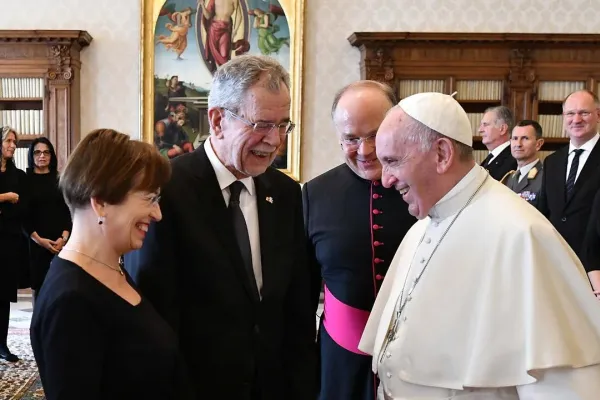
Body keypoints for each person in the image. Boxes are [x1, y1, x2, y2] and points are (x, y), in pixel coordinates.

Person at [359, 92, 600, 399]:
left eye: (392, 161)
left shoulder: (523, 236)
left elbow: (564, 389)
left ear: (442, 154)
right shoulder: (421, 228)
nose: (386, 180)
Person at [124, 54, 316, 400]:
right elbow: (155, 310)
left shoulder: (285, 194)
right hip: (195, 387)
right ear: (217, 121)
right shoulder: (166, 191)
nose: (274, 140)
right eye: (261, 124)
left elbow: (297, 306)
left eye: (283, 125)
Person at [30, 129, 192, 399]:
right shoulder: (71, 301)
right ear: (101, 202)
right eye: (149, 198)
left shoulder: (108, 267)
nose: (157, 213)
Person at [303, 81, 416, 400]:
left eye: (374, 135)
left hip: (419, 362)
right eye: (351, 138)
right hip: (339, 364)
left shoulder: (425, 186)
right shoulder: (316, 194)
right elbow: (304, 294)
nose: (365, 151)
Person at [537, 89, 600, 259]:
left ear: (598, 115)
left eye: (584, 113)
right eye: (570, 113)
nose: (576, 119)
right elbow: (544, 213)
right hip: (555, 259)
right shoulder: (552, 161)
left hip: (594, 265)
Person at [23, 137, 71, 304]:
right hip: (37, 243)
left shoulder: (61, 179)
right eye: (37, 152)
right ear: (31, 155)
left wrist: (63, 239)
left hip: (61, 244)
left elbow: (68, 212)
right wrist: (39, 240)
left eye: (46, 152)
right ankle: (38, 327)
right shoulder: (25, 181)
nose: (42, 156)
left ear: (51, 156)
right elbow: (24, 216)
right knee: (40, 289)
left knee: (60, 288)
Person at [0, 126, 26, 362]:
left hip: (8, 238)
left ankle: (3, 345)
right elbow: (13, 199)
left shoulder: (16, 174)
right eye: (8, 140)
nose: (12, 145)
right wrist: (6, 197)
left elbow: (22, 203)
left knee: (5, 294)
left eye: (14, 142)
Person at [501, 119, 545, 207]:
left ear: (538, 144)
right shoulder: (509, 178)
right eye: (515, 138)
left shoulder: (546, 178)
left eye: (525, 138)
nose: (518, 144)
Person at [478, 105, 517, 180]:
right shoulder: (489, 159)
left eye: (485, 124)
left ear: (502, 129)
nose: (480, 130)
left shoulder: (513, 159)